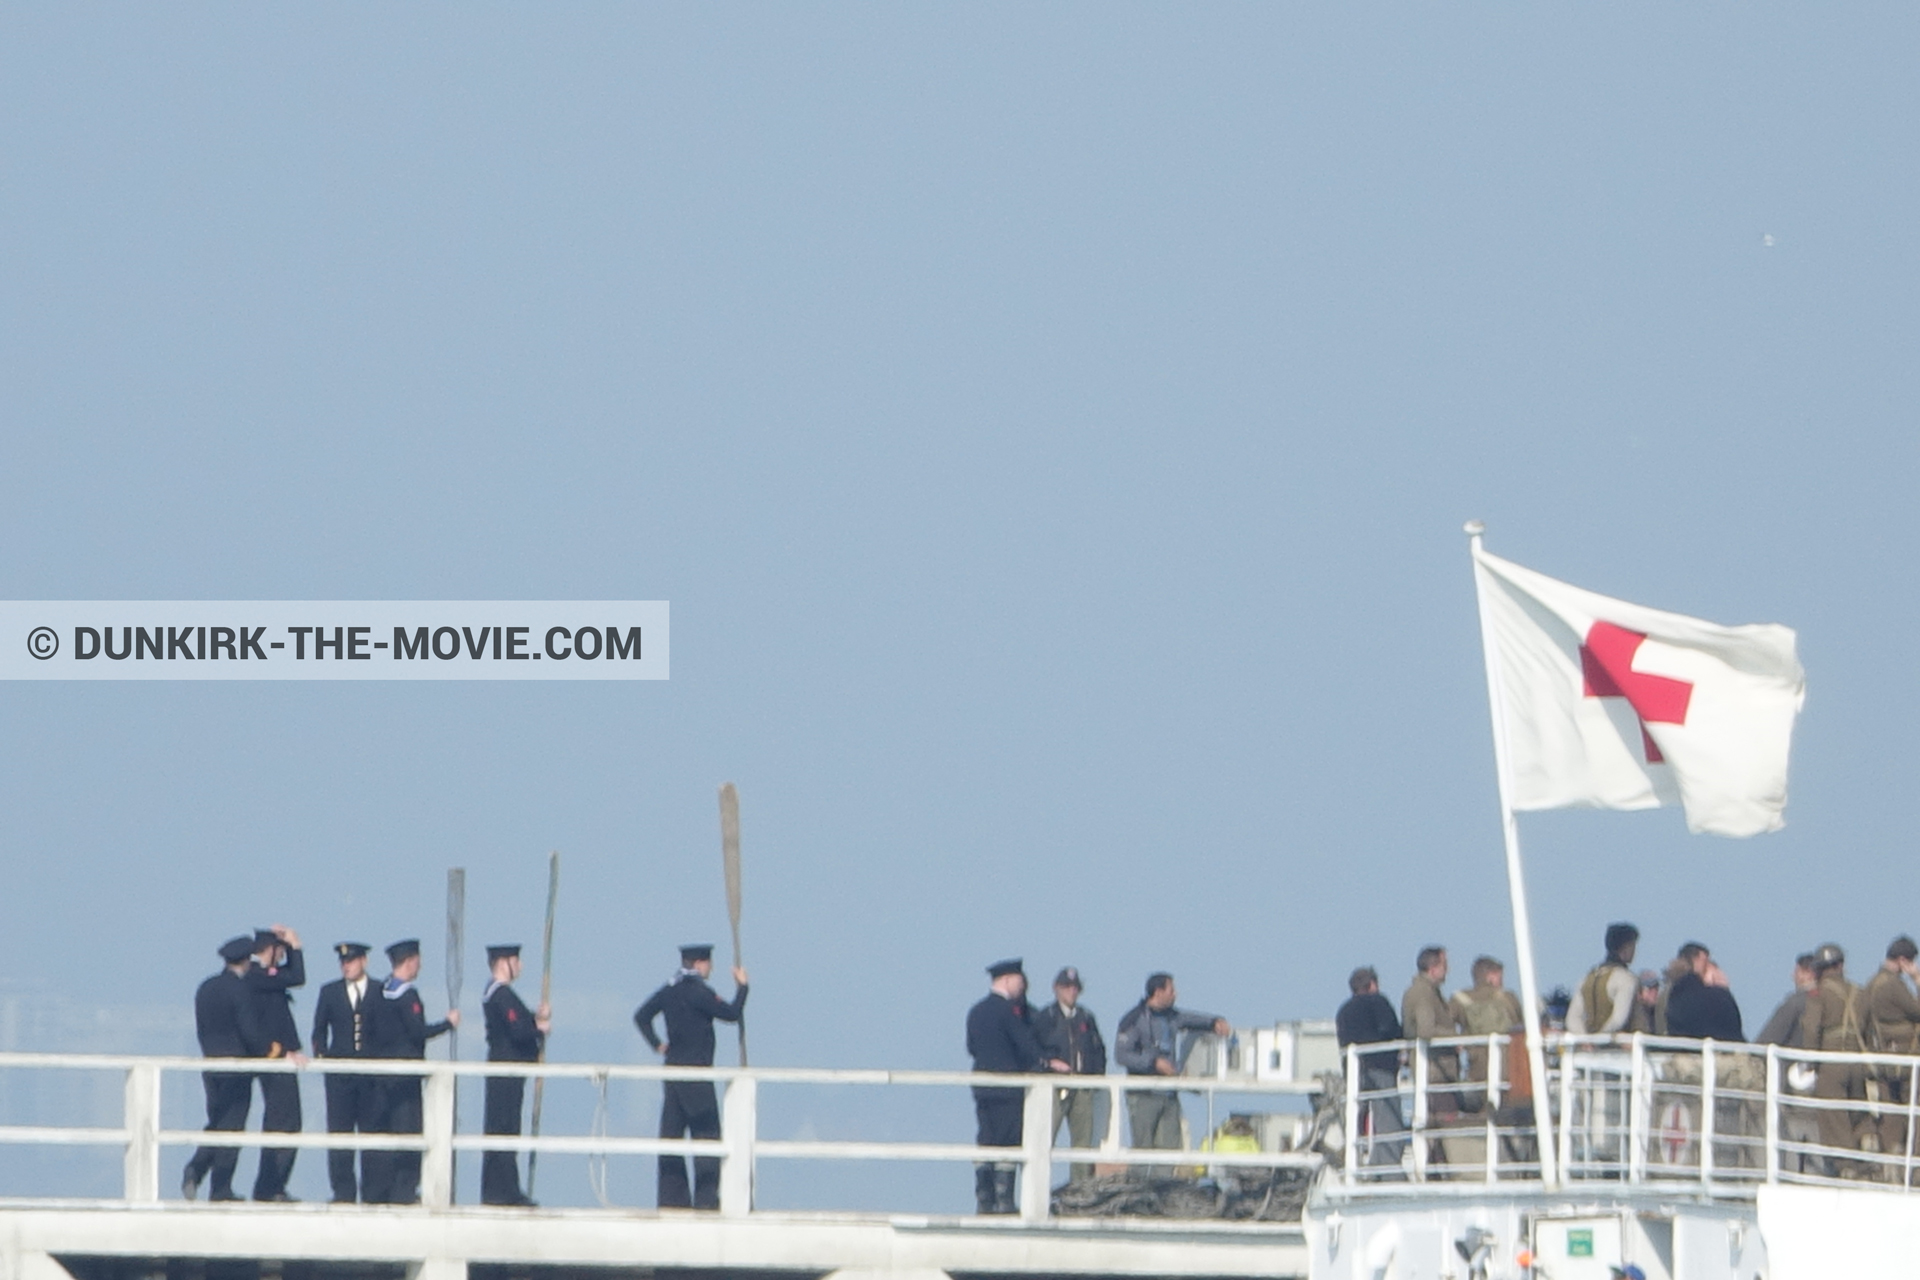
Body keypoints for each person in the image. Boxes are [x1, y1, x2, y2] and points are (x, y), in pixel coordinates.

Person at [633, 944, 749, 1210]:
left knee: (671, 1136)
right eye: (708, 963)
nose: (711, 968)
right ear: (699, 963)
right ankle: (706, 1200)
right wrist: (743, 988)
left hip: (673, 1072)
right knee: (707, 1136)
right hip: (696, 1074)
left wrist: (657, 1044)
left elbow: (641, 1016)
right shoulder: (699, 992)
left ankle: (672, 1199)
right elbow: (731, 1014)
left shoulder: (670, 989)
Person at [964, 959, 1068, 1213]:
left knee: (986, 1138)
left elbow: (971, 1046)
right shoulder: (1008, 1012)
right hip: (1008, 1086)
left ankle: (984, 1199)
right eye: (1020, 981)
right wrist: (1047, 1061)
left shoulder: (976, 1011)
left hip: (982, 1085)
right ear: (1009, 980)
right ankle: (1004, 1201)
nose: (1024, 986)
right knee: (1008, 1140)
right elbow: (1025, 1045)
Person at [362, 939, 459, 1205]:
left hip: (381, 1077)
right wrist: (447, 1024)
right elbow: (418, 1032)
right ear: (410, 961)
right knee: (408, 1132)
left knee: (383, 1134)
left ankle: (377, 1191)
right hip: (405, 1077)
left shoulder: (377, 992)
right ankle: (403, 1192)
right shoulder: (407, 996)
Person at [182, 936, 274, 1202]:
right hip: (236, 1068)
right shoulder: (240, 990)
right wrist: (269, 1052)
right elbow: (250, 1032)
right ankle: (220, 1187)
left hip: (211, 1066)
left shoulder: (206, 988)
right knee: (231, 1127)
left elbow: (202, 1029)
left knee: (217, 1123)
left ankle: (195, 1171)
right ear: (246, 960)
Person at [1114, 972, 1228, 1166]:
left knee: (1169, 1152)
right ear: (1158, 992)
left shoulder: (1172, 1017)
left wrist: (1214, 1022)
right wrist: (1153, 1063)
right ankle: (1139, 1193)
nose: (1176, 994)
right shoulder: (1133, 1019)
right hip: (1143, 1096)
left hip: (1168, 1096)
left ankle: (1163, 1194)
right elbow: (1122, 1055)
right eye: (1171, 990)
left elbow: (1192, 1019)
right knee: (1143, 1151)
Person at [481, 943, 549, 1206]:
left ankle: (501, 1190)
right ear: (503, 963)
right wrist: (540, 1029)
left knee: (506, 1128)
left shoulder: (501, 995)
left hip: (508, 1070)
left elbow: (519, 1022)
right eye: (516, 961)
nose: (520, 967)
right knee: (503, 1128)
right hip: (505, 1070)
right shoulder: (501, 995)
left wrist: (534, 1018)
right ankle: (504, 1192)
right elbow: (517, 1031)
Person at [1797, 943, 1875, 1171]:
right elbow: (1869, 1032)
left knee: (1834, 1116)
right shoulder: (1859, 993)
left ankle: (1846, 1165)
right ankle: (1868, 1141)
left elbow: (1812, 1029)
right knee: (1858, 1110)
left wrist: (1810, 1061)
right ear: (1841, 965)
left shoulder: (1819, 994)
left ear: (1819, 969)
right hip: (1857, 1062)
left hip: (1831, 1062)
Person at [311, 941, 378, 1203]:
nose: (346, 966)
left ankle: (372, 1191)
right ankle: (343, 1191)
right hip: (339, 1077)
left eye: (350, 961)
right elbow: (319, 1030)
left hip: (370, 1077)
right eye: (343, 962)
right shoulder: (329, 992)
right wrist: (323, 1057)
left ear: (364, 961)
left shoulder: (378, 990)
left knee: (371, 1133)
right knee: (340, 1133)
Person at [245, 925, 307, 1202]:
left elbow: (291, 977)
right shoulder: (257, 976)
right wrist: (296, 946)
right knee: (284, 1121)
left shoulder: (263, 977)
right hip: (274, 1058)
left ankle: (272, 1185)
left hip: (282, 1056)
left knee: (287, 1122)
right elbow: (297, 977)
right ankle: (270, 1186)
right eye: (279, 950)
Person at [1031, 965, 1106, 1186]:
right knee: (1045, 1139)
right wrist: (1049, 1067)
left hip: (1082, 1087)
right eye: (1067, 987)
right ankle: (1038, 1190)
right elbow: (1033, 1051)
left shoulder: (1086, 1017)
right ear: (1056, 989)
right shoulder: (1045, 1017)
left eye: (1075, 987)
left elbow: (1099, 1049)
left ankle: (1079, 1190)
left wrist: (1095, 1076)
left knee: (1083, 1142)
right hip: (1054, 1087)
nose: (1072, 992)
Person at [1336, 966, 1405, 1169]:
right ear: (1373, 984)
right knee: (1389, 1123)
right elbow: (1390, 1030)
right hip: (1380, 1068)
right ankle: (1385, 1169)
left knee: (1355, 1123)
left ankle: (1354, 1166)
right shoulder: (1378, 1001)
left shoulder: (1343, 1011)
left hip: (1355, 1072)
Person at [1865, 936, 1920, 1157]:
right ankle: (1915, 1164)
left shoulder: (1873, 983)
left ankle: (1892, 1158)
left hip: (1884, 1054)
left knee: (1890, 1111)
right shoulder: (1894, 985)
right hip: (1906, 1056)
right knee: (1914, 1109)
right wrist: (1917, 979)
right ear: (1903, 960)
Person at [1450, 956, 1523, 1114]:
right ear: (1491, 976)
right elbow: (1522, 1027)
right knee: (1508, 1111)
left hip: (1477, 1069)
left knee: (1483, 1110)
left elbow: (1446, 1025)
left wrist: (1460, 1040)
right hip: (1509, 1067)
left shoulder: (1459, 999)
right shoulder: (1508, 998)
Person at [1400, 947, 1461, 1118]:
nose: (1448, 970)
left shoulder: (1427, 992)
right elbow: (1426, 1030)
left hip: (1435, 1071)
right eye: (1445, 964)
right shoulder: (1423, 993)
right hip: (1435, 1071)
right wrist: (1455, 1038)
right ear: (1433, 968)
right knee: (1444, 1126)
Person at [1567, 924, 1639, 1036]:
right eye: (1633, 946)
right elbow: (1618, 1020)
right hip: (1618, 1048)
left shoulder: (1587, 978)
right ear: (1626, 947)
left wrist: (1584, 1039)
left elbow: (1572, 1018)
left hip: (1587, 1046)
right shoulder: (1626, 979)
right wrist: (1600, 1039)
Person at [1665, 944, 1744, 1042]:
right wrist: (1722, 990)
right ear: (1698, 959)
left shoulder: (1673, 995)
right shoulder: (1710, 997)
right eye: (1707, 963)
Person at [1755, 954, 1817, 1047]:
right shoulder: (1835, 1003)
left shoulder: (1796, 1003)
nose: (1793, 976)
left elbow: (1767, 1039)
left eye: (1797, 971)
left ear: (1808, 973)